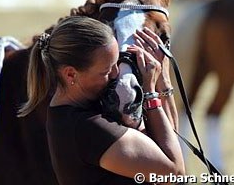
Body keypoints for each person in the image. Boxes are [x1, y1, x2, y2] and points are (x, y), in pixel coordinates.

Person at [19, 16, 185, 184]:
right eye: (106, 71)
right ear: (70, 74)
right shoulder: (88, 127)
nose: (115, 75)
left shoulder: (75, 110)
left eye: (116, 64)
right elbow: (174, 173)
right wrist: (150, 92)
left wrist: (163, 81)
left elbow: (168, 142)